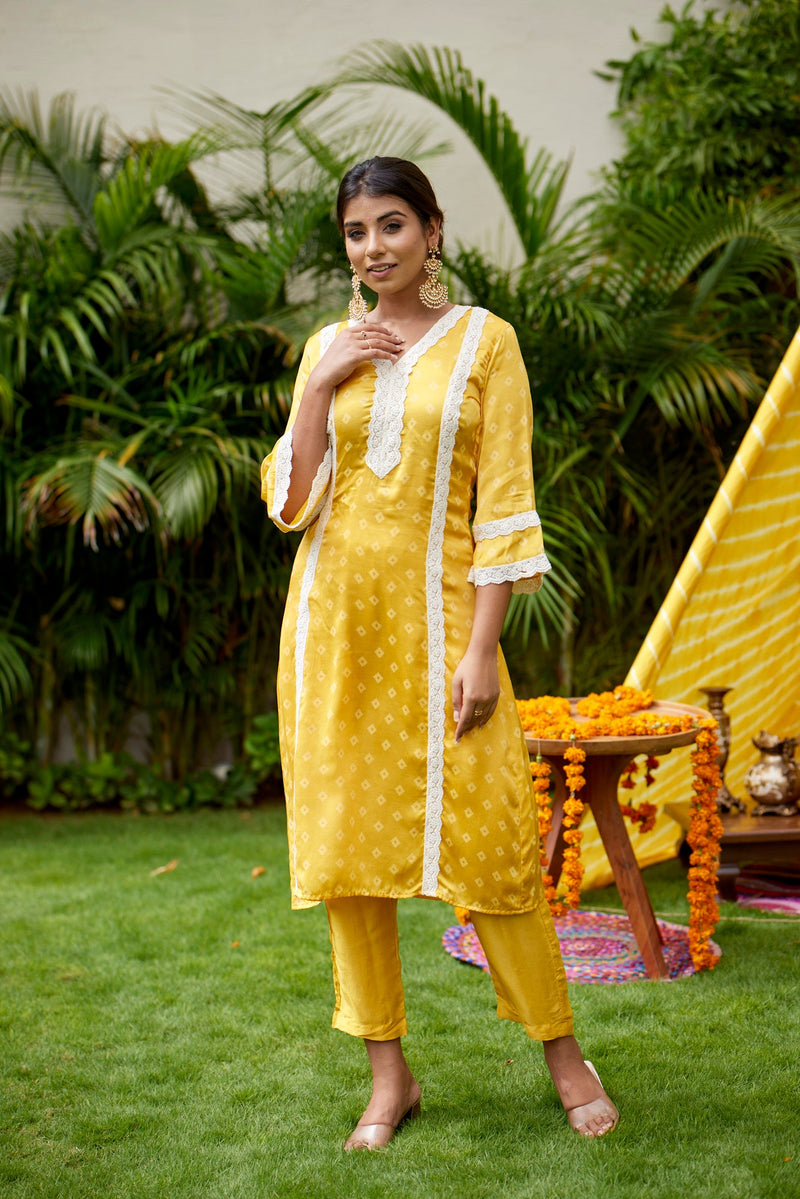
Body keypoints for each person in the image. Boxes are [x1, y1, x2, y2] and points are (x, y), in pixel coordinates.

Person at [260, 157, 619, 1150]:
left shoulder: (484, 342)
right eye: (355, 232)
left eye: (391, 225)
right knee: (349, 863)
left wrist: (481, 650)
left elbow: (504, 503)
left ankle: (564, 1055)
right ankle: (389, 1079)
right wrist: (320, 382)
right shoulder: (327, 345)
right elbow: (291, 503)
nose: (373, 247)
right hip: (333, 632)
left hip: (444, 634)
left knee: (493, 848)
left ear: (431, 230)